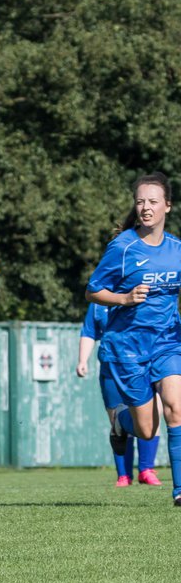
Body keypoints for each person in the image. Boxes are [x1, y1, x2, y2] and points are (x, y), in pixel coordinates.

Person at [85, 172, 181, 507]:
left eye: (153, 201)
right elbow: (92, 291)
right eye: (140, 201)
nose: (145, 207)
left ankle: (179, 489)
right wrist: (124, 299)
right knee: (147, 430)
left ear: (167, 206)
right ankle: (121, 423)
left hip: (168, 343)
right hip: (127, 348)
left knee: (176, 406)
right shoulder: (122, 248)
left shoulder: (177, 251)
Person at [76, 301, 161, 486]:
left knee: (152, 416)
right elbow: (89, 332)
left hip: (143, 365)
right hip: (111, 366)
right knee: (117, 420)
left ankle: (146, 470)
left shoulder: (144, 296)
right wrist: (82, 360)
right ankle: (124, 475)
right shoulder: (99, 303)